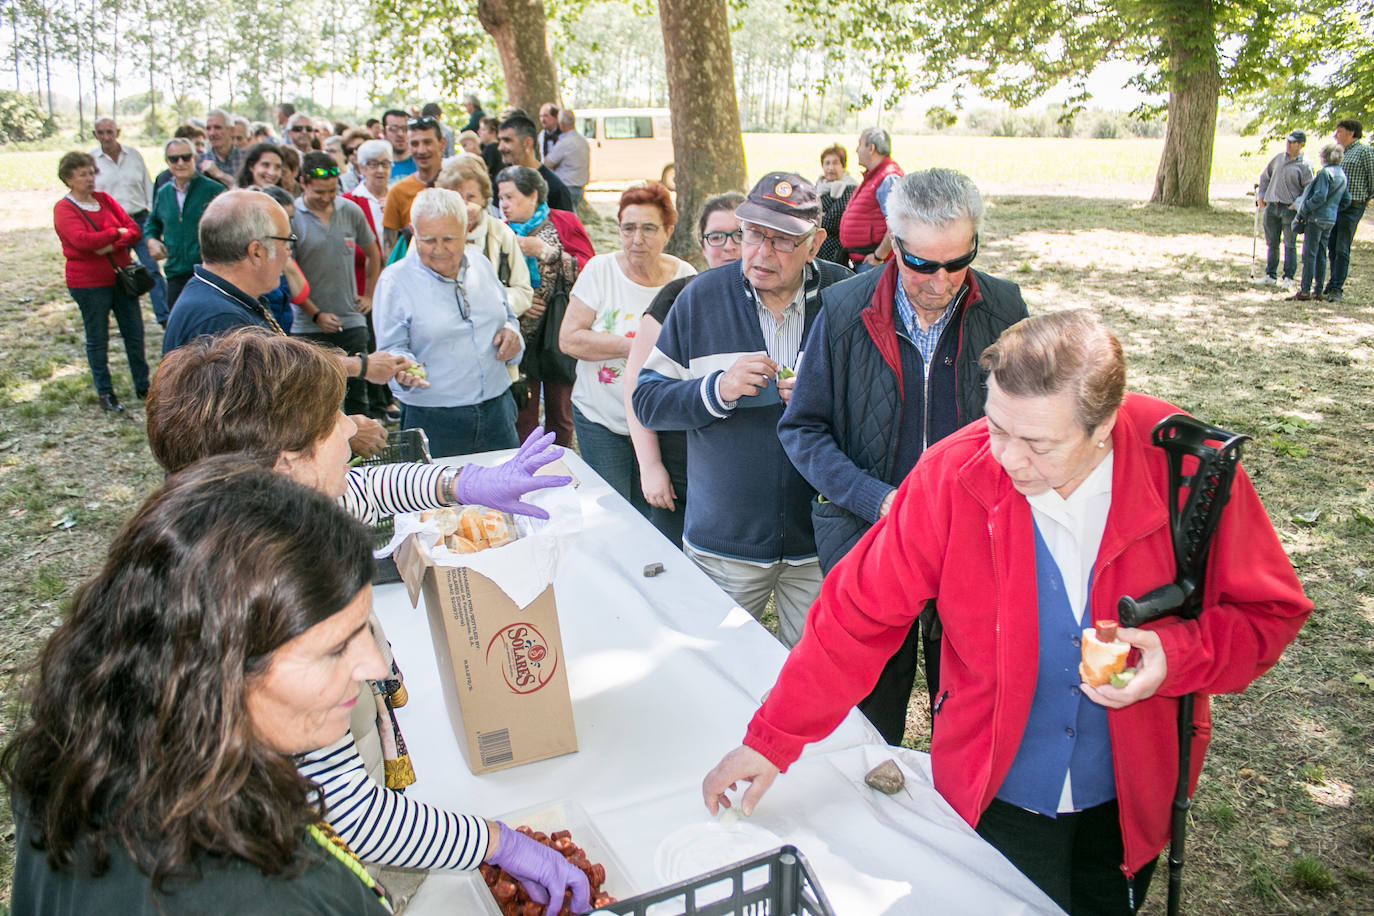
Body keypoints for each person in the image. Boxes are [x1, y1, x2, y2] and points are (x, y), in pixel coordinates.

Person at [702, 309, 1311, 916]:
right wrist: (772, 739)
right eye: (995, 427)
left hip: (1130, 796)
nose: (1008, 458)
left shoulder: (1188, 471)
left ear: (1104, 427)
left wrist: (1176, 657)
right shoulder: (951, 473)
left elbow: (1267, 614)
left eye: (1039, 444)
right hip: (997, 789)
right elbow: (857, 616)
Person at [2, 456, 590, 915]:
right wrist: (498, 843)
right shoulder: (266, 893)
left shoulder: (78, 764)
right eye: (335, 647)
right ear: (217, 666)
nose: (376, 667)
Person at [777, 169, 1029, 743]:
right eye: (920, 264)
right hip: (869, 541)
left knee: (969, 705)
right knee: (868, 714)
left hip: (971, 547)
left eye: (957, 261)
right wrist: (878, 499)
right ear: (892, 244)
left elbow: (1028, 427)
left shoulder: (1006, 307)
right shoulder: (842, 310)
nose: (940, 283)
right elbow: (804, 430)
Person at [633, 174, 851, 647]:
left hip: (818, 544)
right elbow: (647, 402)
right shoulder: (699, 298)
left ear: (815, 244)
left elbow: (875, 407)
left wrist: (822, 401)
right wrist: (719, 389)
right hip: (723, 544)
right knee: (714, 672)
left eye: (783, 241)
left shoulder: (845, 297)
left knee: (812, 683)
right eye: (753, 233)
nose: (761, 253)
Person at [159, 190, 403, 459]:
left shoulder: (224, 300)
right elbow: (252, 425)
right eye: (287, 241)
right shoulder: (219, 320)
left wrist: (361, 367)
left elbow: (277, 368)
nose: (290, 252)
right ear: (256, 252)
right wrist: (342, 431)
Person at [561, 183, 693, 512]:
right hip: (601, 419)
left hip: (660, 423)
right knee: (613, 510)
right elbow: (569, 338)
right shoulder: (599, 271)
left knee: (659, 510)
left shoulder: (684, 277)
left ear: (668, 231)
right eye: (628, 228)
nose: (637, 239)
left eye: (649, 228)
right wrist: (633, 347)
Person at [624, 191, 743, 547]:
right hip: (681, 473)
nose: (730, 247)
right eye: (717, 236)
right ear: (702, 245)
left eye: (741, 234)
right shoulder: (678, 298)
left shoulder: (772, 298)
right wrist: (651, 467)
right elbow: (635, 383)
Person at [373, 188, 525, 457]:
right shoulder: (394, 281)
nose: (440, 250)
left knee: (502, 493)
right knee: (439, 499)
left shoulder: (481, 264)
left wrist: (513, 335)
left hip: (498, 410)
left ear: (466, 230)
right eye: (428, 240)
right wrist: (404, 370)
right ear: (413, 232)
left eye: (450, 239)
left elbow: (508, 318)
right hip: (434, 420)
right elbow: (392, 349)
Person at [497, 165, 596, 448]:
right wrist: (520, 304)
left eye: (509, 197)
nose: (503, 205)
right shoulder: (499, 232)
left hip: (558, 331)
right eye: (500, 198)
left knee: (561, 412)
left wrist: (543, 251)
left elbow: (590, 270)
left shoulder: (563, 221)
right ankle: (525, 469)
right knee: (523, 413)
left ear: (533, 196)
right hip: (520, 334)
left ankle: (561, 464)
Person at [53, 151, 149, 414]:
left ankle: (143, 385)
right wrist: (115, 234)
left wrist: (111, 241)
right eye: (82, 174)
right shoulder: (64, 208)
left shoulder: (104, 200)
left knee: (134, 332)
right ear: (68, 178)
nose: (90, 178)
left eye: (91, 172)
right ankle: (105, 392)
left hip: (121, 278)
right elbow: (81, 241)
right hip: (89, 284)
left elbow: (133, 230)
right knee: (97, 337)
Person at [291, 152, 382, 418]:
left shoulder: (349, 210)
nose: (326, 197)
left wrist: (369, 295)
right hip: (307, 325)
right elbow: (289, 271)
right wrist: (314, 314)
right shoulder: (292, 216)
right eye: (319, 191)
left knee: (358, 397)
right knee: (311, 400)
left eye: (331, 191)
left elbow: (373, 253)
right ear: (303, 183)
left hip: (350, 319)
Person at [91, 117, 169, 325]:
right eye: (101, 132)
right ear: (95, 135)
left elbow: (147, 185)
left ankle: (164, 315)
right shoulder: (92, 161)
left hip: (139, 218)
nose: (106, 137)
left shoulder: (133, 155)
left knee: (151, 267)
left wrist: (154, 216)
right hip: (112, 224)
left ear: (118, 132)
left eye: (110, 132)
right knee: (120, 270)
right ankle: (127, 316)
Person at [145, 137, 226, 309]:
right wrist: (151, 239)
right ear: (167, 161)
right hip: (175, 272)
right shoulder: (164, 192)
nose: (180, 163)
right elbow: (152, 222)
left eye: (186, 157)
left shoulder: (213, 190)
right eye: (174, 159)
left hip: (207, 272)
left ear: (195, 158)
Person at [1289, 143, 1350, 302]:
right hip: (1330, 219)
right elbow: (1346, 200)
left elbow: (1319, 196)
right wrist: (1334, 209)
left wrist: (1304, 208)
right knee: (1322, 254)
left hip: (1316, 218)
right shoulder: (1342, 174)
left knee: (1310, 254)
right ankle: (1318, 290)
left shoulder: (1324, 173)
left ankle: (1305, 290)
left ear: (1324, 157)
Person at [839, 127, 903, 270]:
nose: (856, 150)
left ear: (871, 148)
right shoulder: (876, 176)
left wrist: (878, 256)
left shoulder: (888, 178)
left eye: (860, 144)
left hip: (875, 263)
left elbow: (897, 222)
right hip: (866, 261)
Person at [1255, 130, 1312, 289]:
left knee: (1290, 243)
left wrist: (1297, 203)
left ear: (1301, 145)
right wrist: (1261, 195)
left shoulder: (1305, 164)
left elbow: (1308, 188)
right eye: (1288, 141)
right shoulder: (1278, 158)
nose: (1288, 144)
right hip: (1272, 206)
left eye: (1293, 142)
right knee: (1272, 242)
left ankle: (1288, 277)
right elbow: (1265, 177)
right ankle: (1270, 274)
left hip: (1289, 209)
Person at [1324, 118, 1373, 302]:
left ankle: (1337, 287)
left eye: (1340, 131)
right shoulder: (1338, 153)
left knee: (1342, 246)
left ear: (1351, 133)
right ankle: (1331, 282)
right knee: (1332, 244)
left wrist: (1368, 197)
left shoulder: (1364, 151)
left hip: (1353, 205)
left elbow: (1372, 175)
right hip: (1334, 205)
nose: (1336, 135)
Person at [382, 115, 445, 255]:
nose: (421, 150)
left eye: (427, 142)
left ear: (442, 143)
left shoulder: (457, 186)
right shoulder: (398, 192)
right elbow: (389, 250)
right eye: (415, 144)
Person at [498, 114, 575, 211]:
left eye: (507, 140)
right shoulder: (502, 180)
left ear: (527, 143)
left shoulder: (555, 189)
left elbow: (564, 224)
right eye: (499, 141)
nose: (500, 147)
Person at [814, 143, 857, 267]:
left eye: (835, 163)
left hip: (833, 253)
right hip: (815, 249)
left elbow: (833, 221)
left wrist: (815, 216)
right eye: (827, 163)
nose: (830, 167)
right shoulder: (818, 186)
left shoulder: (849, 188)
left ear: (843, 166)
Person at [545, 108, 591, 212]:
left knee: (566, 219)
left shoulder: (565, 143)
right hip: (579, 187)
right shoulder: (582, 141)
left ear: (561, 124)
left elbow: (548, 163)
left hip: (567, 187)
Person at [198, 108, 246, 188]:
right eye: (208, 128)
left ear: (232, 130)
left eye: (217, 127)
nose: (212, 133)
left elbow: (249, 190)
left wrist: (219, 174)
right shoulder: (200, 161)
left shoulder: (246, 157)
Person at [382, 109, 417, 183]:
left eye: (405, 129)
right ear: (384, 132)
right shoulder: (378, 168)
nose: (400, 134)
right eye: (393, 129)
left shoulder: (421, 164)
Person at [479, 115, 503, 184]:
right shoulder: (500, 147)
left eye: (483, 129)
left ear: (493, 132)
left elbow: (483, 173)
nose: (479, 132)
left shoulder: (490, 148)